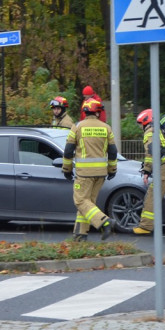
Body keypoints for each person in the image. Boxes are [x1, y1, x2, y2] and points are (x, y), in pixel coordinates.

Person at [62, 98, 117, 240]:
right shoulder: (106, 128)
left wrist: (67, 169)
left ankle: (104, 221)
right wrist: (112, 170)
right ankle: (80, 235)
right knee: (88, 204)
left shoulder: (77, 127)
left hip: (84, 174)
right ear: (98, 113)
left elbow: (68, 151)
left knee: (80, 201)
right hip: (101, 174)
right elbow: (112, 152)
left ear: (84, 112)